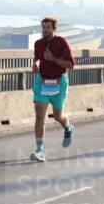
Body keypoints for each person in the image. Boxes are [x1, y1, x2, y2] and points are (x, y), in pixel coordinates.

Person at [30, 16, 75, 162]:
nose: (45, 30)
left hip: (59, 82)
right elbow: (37, 57)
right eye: (43, 27)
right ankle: (39, 150)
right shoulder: (38, 43)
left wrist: (53, 59)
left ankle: (68, 128)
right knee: (39, 116)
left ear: (54, 28)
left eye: (48, 27)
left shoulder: (61, 42)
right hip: (42, 82)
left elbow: (70, 64)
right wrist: (35, 64)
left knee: (57, 116)